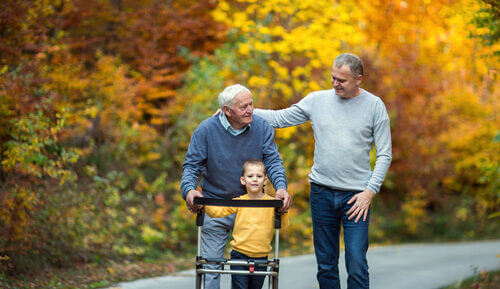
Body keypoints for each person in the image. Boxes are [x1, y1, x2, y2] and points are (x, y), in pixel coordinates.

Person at [253, 53, 392, 289]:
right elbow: (280, 118)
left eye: (342, 80)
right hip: (322, 193)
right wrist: (244, 111)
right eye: (333, 77)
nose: (335, 83)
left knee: (356, 262)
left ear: (359, 79)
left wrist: (370, 192)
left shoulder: (374, 106)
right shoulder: (316, 100)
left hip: (356, 198)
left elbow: (385, 154)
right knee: (326, 265)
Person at [180, 84, 291, 289]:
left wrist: (281, 188)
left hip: (253, 208)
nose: (250, 109)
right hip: (217, 205)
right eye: (243, 107)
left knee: (253, 271)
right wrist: (189, 190)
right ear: (227, 110)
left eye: (251, 104)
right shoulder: (206, 130)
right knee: (210, 267)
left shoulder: (262, 127)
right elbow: (191, 166)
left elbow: (273, 162)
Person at [203, 159, 289, 289]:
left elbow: (283, 224)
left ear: (265, 180)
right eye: (250, 176)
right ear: (243, 180)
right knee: (240, 287)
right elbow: (218, 212)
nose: (254, 179)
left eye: (259, 176)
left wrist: (283, 210)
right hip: (239, 254)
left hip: (261, 255)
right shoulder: (239, 201)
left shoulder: (271, 203)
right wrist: (204, 203)